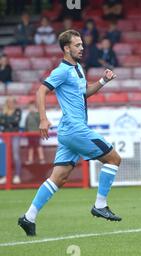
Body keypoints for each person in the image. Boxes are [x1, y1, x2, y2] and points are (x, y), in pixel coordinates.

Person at [17, 30, 122, 237]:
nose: (82, 48)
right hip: (74, 129)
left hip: (69, 131)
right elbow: (41, 91)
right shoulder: (62, 70)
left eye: (82, 44)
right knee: (113, 159)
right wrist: (43, 118)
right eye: (77, 45)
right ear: (66, 48)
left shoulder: (78, 69)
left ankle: (28, 217)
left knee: (59, 177)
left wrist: (103, 81)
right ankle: (100, 205)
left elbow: (84, 93)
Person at [0, 97, 22, 184]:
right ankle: (4, 176)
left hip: (14, 135)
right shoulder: (3, 112)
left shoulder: (18, 111)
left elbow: (16, 122)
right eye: (9, 102)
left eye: (12, 102)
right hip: (5, 136)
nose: (11, 104)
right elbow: (2, 122)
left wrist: (6, 122)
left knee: (15, 155)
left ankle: (17, 175)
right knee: (4, 156)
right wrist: (8, 122)